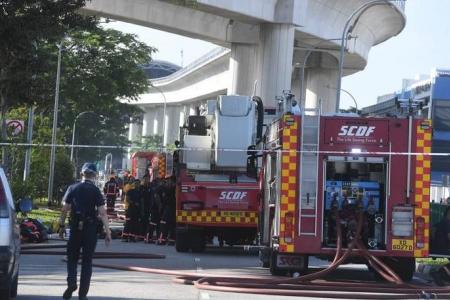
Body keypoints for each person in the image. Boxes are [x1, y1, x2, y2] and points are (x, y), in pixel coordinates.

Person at [58, 162, 111, 300]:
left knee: (72, 258)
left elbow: (65, 209)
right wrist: (108, 232)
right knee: (87, 261)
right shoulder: (95, 191)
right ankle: (82, 294)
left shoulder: (72, 188)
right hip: (90, 228)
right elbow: (102, 213)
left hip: (75, 227)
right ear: (94, 175)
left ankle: (71, 283)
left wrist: (61, 225)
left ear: (82, 173)